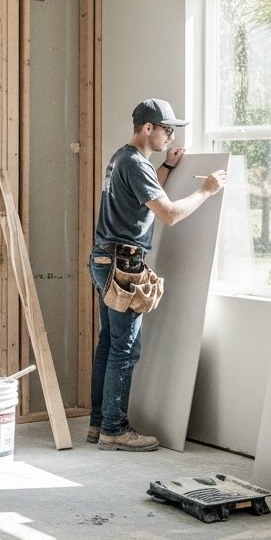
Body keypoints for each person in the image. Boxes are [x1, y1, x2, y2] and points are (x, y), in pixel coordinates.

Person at [86, 99, 227, 451]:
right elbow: (170, 214)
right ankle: (114, 429)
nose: (171, 136)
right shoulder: (135, 164)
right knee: (125, 348)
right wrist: (206, 190)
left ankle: (98, 423)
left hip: (106, 258)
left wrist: (166, 167)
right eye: (167, 129)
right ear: (148, 128)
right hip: (123, 265)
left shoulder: (124, 159)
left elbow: (143, 197)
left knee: (110, 343)